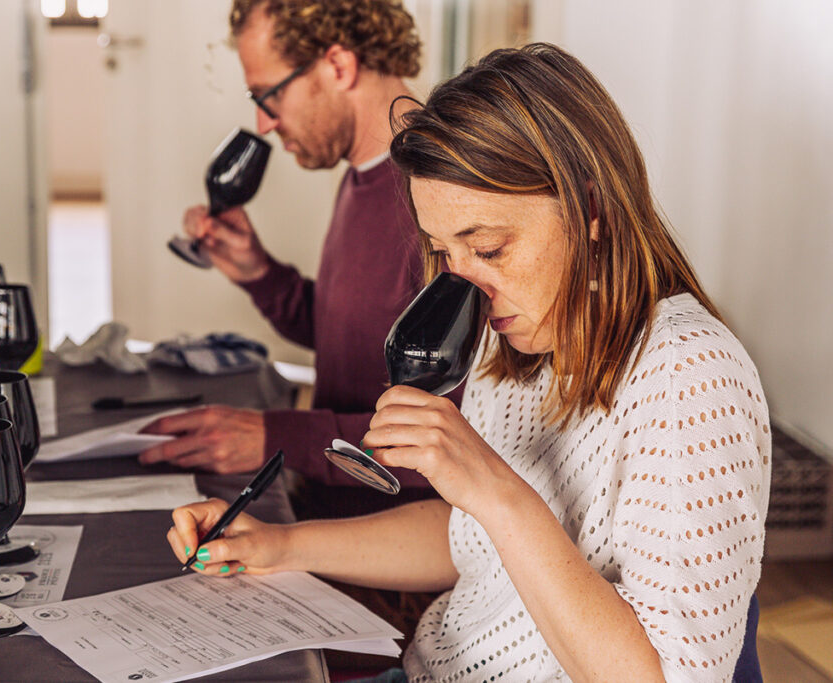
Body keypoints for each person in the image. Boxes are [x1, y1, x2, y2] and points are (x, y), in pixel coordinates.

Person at [164, 43, 772, 682]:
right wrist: (279, 544)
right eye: (444, 253)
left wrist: (494, 487)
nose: (464, 287)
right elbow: (468, 541)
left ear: (591, 211)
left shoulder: (688, 378)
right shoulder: (508, 344)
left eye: (489, 248)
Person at [139, 0, 461, 516]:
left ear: (338, 65)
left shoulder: (443, 198)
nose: (264, 123)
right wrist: (260, 274)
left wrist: (277, 437)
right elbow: (356, 340)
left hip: (394, 534)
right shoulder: (363, 175)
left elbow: (454, 438)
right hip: (327, 504)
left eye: (269, 96)